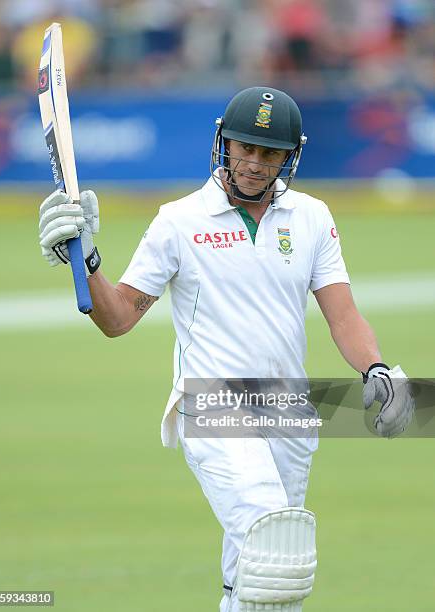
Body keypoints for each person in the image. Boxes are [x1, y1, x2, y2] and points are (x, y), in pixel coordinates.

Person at [38, 87, 414, 611]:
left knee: (270, 580)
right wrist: (89, 260)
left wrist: (376, 367)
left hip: (288, 411)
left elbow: (343, 315)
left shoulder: (311, 216)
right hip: (212, 405)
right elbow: (118, 317)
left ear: (290, 155)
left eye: (270, 153)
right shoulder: (178, 220)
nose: (256, 163)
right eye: (245, 148)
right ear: (224, 143)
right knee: (271, 539)